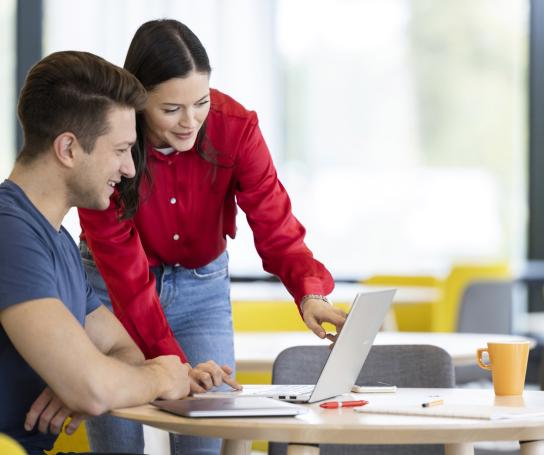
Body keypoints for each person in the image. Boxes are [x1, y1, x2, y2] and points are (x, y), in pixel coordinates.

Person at [78, 18, 347, 455]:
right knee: (118, 443)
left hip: (201, 289)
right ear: (137, 100)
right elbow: (125, 275)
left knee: (206, 438)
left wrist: (309, 292)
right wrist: (175, 365)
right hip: (112, 292)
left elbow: (274, 220)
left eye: (200, 102)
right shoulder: (105, 144)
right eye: (171, 110)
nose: (191, 122)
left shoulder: (235, 127)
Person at [0, 51, 192, 455]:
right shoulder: (9, 233)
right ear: (68, 148)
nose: (128, 169)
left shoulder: (56, 240)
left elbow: (123, 351)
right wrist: (161, 375)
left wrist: (82, 377)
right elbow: (94, 387)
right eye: (120, 149)